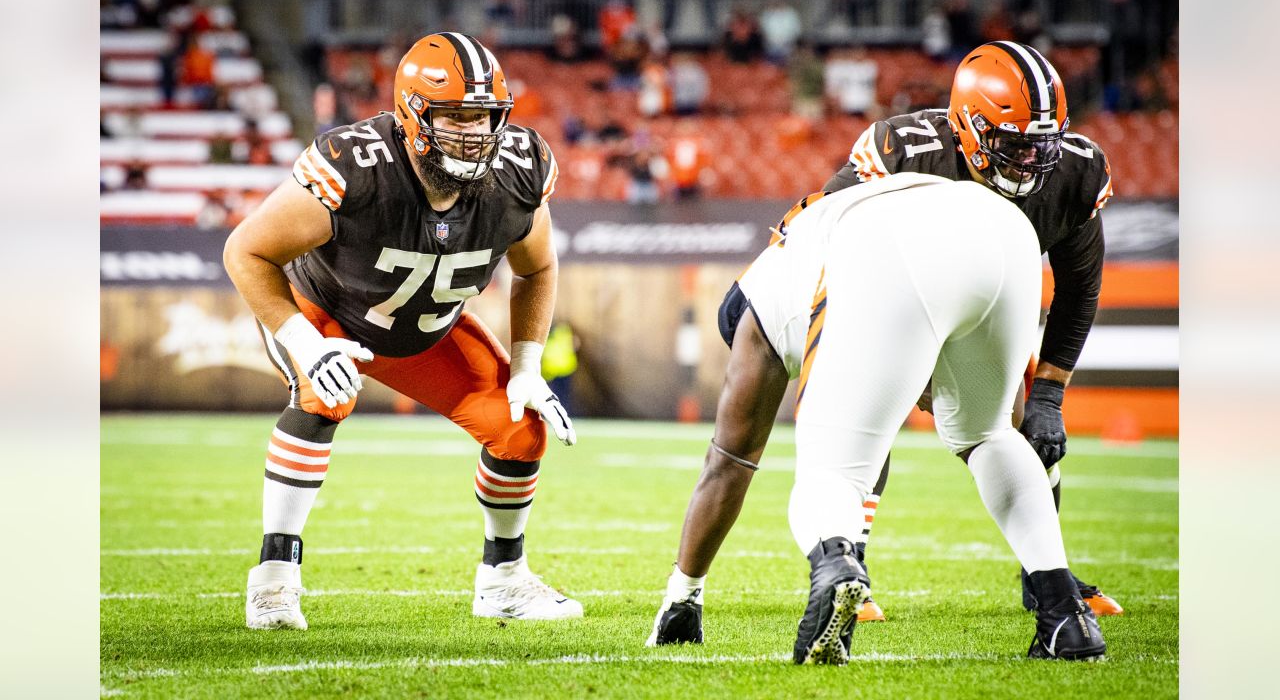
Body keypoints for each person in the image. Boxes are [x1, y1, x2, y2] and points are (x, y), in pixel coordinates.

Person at [647, 174, 1107, 664]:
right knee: (990, 434)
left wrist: (683, 595)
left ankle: (837, 563)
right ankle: (1065, 615)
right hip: (1009, 233)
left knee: (833, 471)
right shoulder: (805, 244)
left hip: (890, 245)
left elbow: (728, 462)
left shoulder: (759, 315)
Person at [223, 32, 580, 631]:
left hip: (425, 330)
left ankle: (503, 580)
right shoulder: (355, 168)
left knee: (519, 430)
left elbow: (538, 266)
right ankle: (275, 579)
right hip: (327, 312)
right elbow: (246, 251)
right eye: (457, 116)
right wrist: (306, 344)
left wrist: (526, 366)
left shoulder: (518, 171)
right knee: (324, 394)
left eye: (486, 116)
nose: (475, 133)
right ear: (414, 112)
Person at [819, 40, 1123, 620]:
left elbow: (1079, 287)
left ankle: (1045, 577)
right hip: (888, 302)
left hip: (981, 311)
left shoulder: (1074, 176)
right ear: (968, 128)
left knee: (1031, 432)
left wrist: (1052, 395)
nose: (1031, 163)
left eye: (1044, 147)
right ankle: (849, 569)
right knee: (869, 422)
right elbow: (825, 230)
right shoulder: (907, 151)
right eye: (1014, 147)